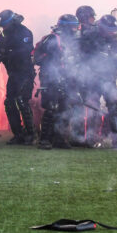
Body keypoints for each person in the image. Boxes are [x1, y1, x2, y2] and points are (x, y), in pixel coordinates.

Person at [82, 14, 117, 149]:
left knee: (115, 108)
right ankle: (89, 139)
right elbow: (81, 59)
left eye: (114, 30)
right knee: (92, 109)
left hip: (109, 79)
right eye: (110, 30)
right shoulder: (89, 37)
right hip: (92, 79)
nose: (113, 33)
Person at [33, 14, 81, 150]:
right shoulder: (52, 38)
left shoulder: (70, 41)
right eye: (73, 27)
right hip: (51, 79)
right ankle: (45, 140)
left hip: (65, 78)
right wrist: (52, 70)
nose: (75, 30)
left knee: (65, 108)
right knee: (51, 108)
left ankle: (60, 139)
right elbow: (37, 58)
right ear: (66, 27)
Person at [0, 10, 36, 145]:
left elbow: (25, 51)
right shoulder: (5, 34)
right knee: (9, 103)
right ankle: (18, 134)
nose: (4, 28)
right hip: (13, 73)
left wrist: (7, 53)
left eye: (5, 25)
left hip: (25, 72)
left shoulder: (24, 32)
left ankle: (30, 134)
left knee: (22, 101)